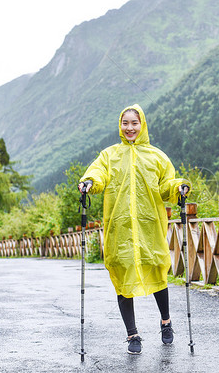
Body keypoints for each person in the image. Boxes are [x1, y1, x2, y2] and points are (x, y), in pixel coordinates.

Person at [78, 104, 190, 355]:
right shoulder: (109, 155)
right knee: (122, 277)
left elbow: (167, 186)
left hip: (150, 226)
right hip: (120, 228)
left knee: (158, 269)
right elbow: (98, 174)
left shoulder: (158, 157)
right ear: (120, 125)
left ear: (143, 125)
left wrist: (180, 186)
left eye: (134, 123)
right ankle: (132, 335)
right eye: (125, 123)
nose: (130, 128)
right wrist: (88, 182)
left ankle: (166, 322)